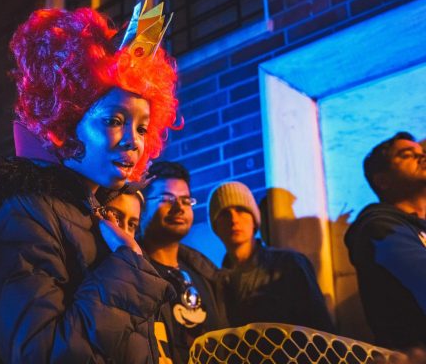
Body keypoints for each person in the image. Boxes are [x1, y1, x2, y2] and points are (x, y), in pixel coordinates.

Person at [0, 3, 180, 363]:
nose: (134, 141)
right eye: (114, 120)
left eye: (143, 127)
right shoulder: (26, 215)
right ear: (67, 120)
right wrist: (128, 269)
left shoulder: (93, 212)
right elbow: (42, 354)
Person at [209, 181, 334, 332]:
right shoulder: (216, 282)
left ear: (254, 220)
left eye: (241, 210)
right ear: (215, 226)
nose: (234, 220)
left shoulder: (289, 265)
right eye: (224, 213)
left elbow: (320, 328)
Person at [140, 162, 227, 364]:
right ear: (142, 206)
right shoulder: (131, 274)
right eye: (167, 199)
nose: (179, 207)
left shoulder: (205, 273)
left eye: (186, 200)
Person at [345, 131, 426, 349]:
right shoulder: (378, 227)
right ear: (383, 180)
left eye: (422, 152)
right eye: (408, 154)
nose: (422, 157)